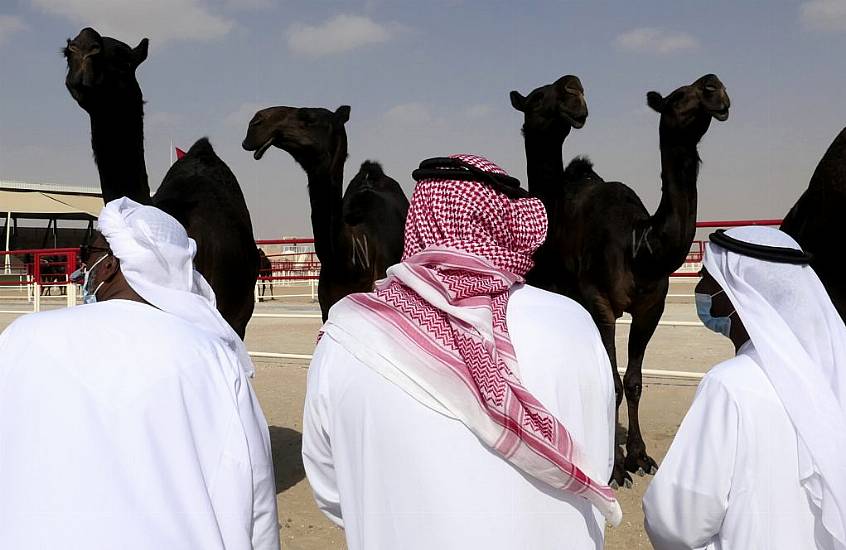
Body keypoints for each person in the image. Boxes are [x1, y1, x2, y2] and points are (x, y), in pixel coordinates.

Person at [302, 154, 621, 550]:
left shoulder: (346, 335)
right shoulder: (575, 323)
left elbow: (333, 493)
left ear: (418, 219)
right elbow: (600, 460)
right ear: (510, 222)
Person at [0, 198, 280, 550]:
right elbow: (255, 502)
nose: (84, 262)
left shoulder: (23, 336)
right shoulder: (212, 358)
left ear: (108, 266)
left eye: (90, 251)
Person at [643, 226, 846, 550]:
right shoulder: (832, 371)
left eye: (709, 278)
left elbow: (675, 523)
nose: (702, 289)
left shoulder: (730, 385)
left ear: (736, 292)